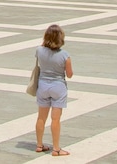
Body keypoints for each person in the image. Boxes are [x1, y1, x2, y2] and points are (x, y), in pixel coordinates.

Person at [34, 24, 73, 156]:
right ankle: (56, 148)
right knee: (55, 119)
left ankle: (39, 145)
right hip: (58, 87)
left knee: (41, 117)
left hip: (43, 86)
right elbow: (69, 74)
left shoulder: (39, 50)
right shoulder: (65, 55)